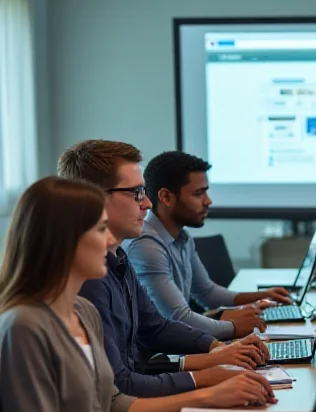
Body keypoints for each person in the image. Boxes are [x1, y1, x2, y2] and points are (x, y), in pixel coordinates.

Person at [0, 177, 276, 412]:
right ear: (63, 242)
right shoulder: (24, 327)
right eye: (100, 230)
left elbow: (113, 404)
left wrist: (211, 396)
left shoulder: (82, 312)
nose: (112, 241)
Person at [57, 140, 269, 397]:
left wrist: (216, 348)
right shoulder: (89, 279)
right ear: (95, 198)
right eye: (136, 192)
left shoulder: (119, 257)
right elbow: (119, 385)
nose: (147, 203)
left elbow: (155, 326)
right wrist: (201, 382)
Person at [124, 150, 291, 340]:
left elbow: (207, 293)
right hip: (158, 356)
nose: (208, 201)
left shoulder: (182, 237)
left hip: (179, 344)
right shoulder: (146, 245)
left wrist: (260, 297)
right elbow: (179, 319)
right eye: (198, 193)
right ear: (166, 197)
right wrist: (234, 327)